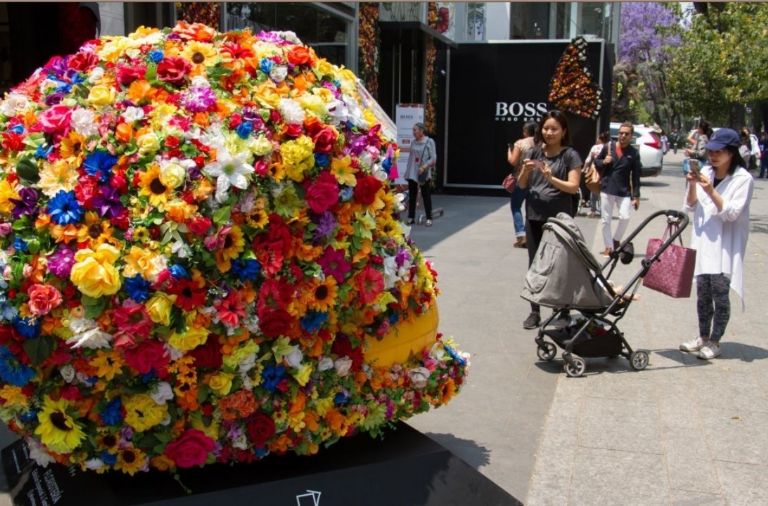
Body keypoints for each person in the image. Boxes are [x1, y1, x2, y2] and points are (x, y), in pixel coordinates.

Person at [679, 128, 754, 360]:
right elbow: (690, 206)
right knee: (702, 293)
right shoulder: (705, 171)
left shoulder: (743, 179)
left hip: (725, 244)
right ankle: (702, 336)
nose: (713, 156)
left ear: (731, 153)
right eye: (711, 151)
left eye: (719, 152)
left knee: (720, 293)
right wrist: (692, 184)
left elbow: (731, 213)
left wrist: (710, 191)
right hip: (703, 242)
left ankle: (715, 340)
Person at [517, 110, 582, 329]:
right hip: (534, 216)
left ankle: (562, 310)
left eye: (554, 128)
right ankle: (534, 311)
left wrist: (550, 178)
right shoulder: (535, 151)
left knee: (560, 265)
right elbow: (522, 185)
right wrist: (525, 171)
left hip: (559, 220)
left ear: (563, 131)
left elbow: (573, 187)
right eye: (546, 128)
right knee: (534, 264)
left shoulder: (570, 155)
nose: (549, 132)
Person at [594, 122, 641, 257]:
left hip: (624, 190)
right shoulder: (608, 147)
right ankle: (609, 247)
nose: (623, 136)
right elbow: (596, 162)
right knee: (605, 220)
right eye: (621, 133)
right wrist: (603, 162)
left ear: (631, 136)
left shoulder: (634, 153)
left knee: (625, 217)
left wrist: (636, 196)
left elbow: (636, 176)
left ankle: (616, 240)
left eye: (626, 134)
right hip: (607, 187)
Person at [507, 121, 538, 248]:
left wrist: (509, 151)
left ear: (526, 131)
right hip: (537, 180)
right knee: (532, 209)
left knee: (515, 206)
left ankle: (521, 236)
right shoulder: (541, 144)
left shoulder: (520, 143)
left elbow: (513, 161)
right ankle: (533, 236)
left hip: (522, 178)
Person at [404, 122, 436, 226]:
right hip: (413, 171)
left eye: (415, 130)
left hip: (423, 171)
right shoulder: (413, 142)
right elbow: (411, 158)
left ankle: (429, 218)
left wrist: (424, 166)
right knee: (412, 195)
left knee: (425, 195)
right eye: (413, 130)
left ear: (421, 131)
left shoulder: (429, 141)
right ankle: (411, 217)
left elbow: (434, 158)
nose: (413, 132)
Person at [582, 131, 610, 218]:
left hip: (595, 170)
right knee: (604, 192)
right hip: (606, 171)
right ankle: (603, 212)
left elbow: (588, 159)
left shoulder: (595, 148)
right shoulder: (609, 147)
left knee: (594, 189)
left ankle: (593, 211)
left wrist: (584, 168)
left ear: (600, 139)